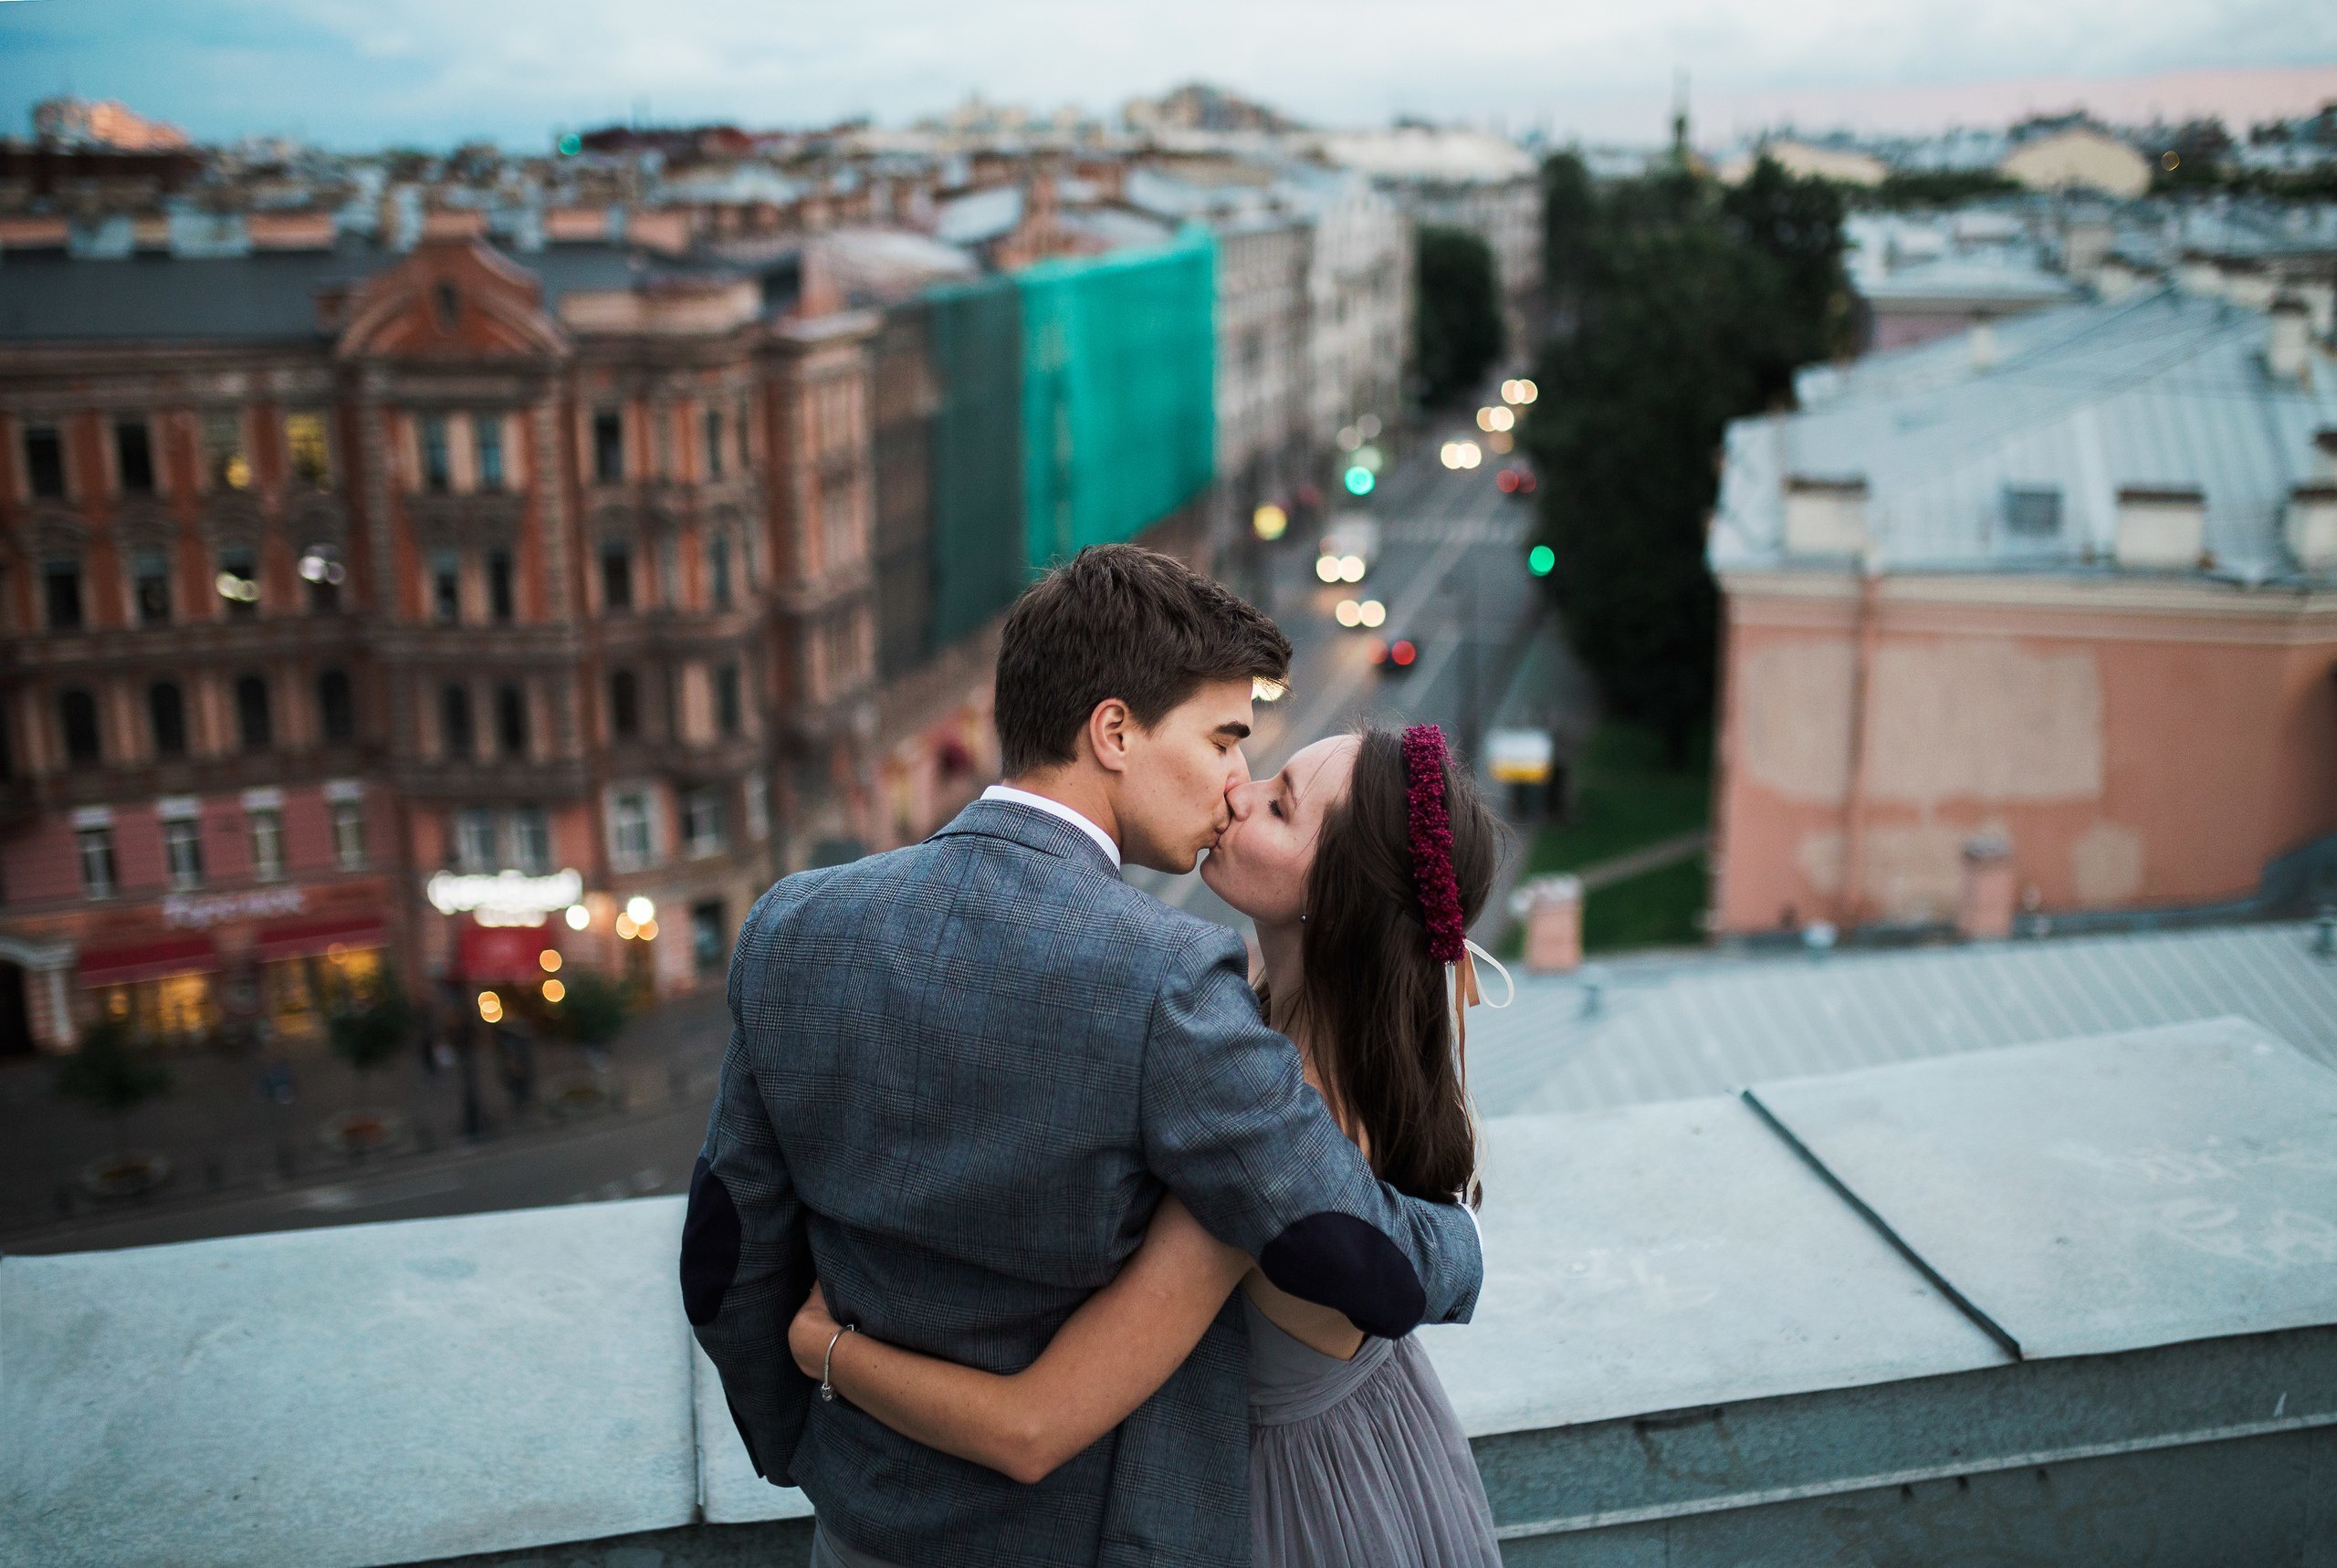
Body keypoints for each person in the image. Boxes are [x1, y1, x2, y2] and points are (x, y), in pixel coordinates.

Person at [682, 546, 1483, 1568]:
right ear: (1114, 730)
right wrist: (1460, 1249)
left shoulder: (792, 919)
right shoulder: (1167, 976)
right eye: (1224, 739)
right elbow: (1342, 1241)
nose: (1235, 784)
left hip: (854, 1525)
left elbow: (722, 1249)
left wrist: (804, 1443)